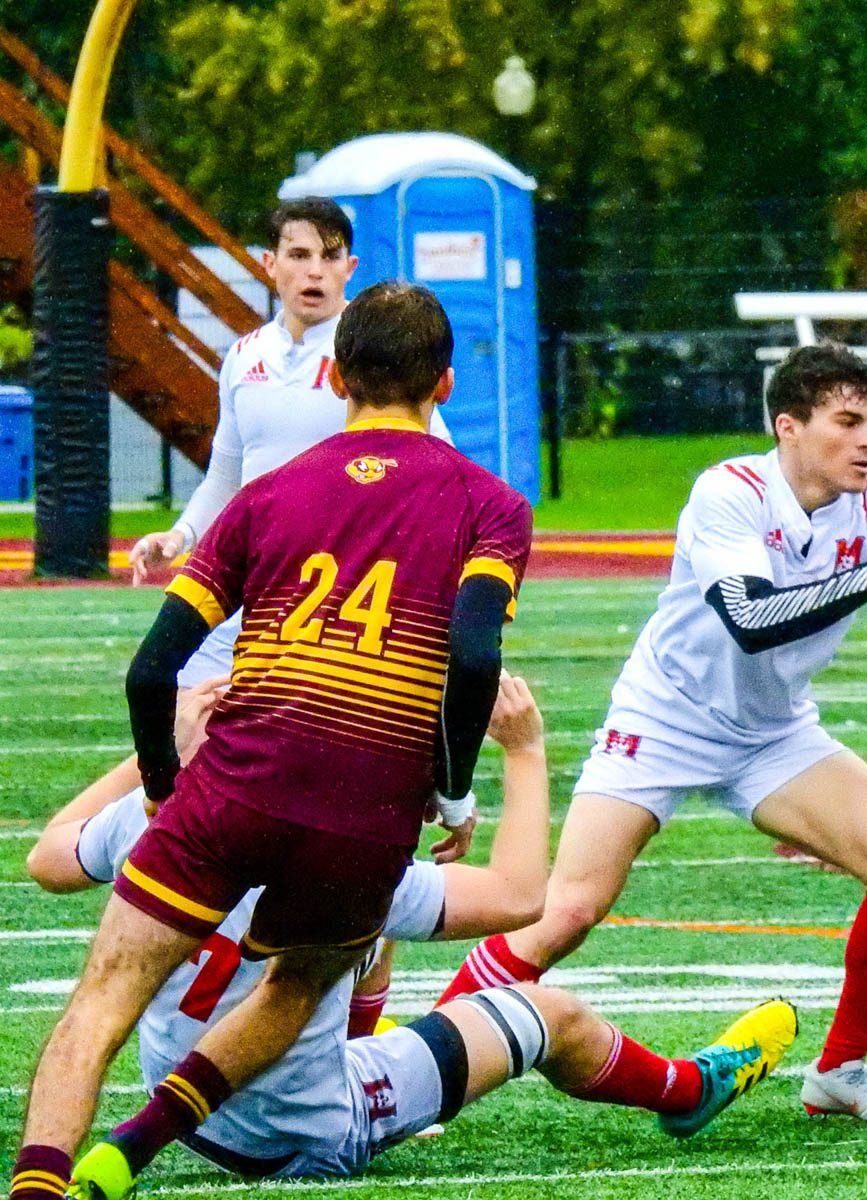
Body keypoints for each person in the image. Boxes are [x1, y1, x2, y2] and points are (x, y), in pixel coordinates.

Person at [10, 281, 533, 1200]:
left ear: (334, 376)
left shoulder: (267, 497)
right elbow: (473, 650)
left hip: (237, 783)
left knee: (99, 1003)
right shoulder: (489, 503)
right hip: (363, 811)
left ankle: (38, 1188)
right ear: (445, 384)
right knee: (298, 986)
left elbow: (151, 670)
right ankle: (132, 1149)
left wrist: (172, 794)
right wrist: (451, 792)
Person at [436, 341, 867, 1123]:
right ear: (788, 426)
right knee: (564, 912)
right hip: (664, 716)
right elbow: (751, 621)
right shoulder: (728, 491)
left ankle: (839, 1073)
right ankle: (431, 1071)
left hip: (774, 733)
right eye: (847, 421)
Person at [17, 675, 795, 1192]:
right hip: (297, 1130)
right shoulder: (351, 857)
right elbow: (522, 897)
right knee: (550, 1014)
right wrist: (524, 752)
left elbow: (49, 856)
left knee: (350, 943)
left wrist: (162, 756)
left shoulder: (161, 817)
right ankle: (688, 1090)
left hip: (179, 1094)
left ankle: (357, 1037)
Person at [127, 196, 450, 686]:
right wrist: (180, 536)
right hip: (249, 578)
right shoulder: (243, 355)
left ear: (351, 267)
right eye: (299, 256)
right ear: (269, 264)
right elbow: (228, 476)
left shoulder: (375, 351)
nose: (315, 272)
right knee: (180, 718)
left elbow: (436, 466)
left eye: (330, 256)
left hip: (337, 592)